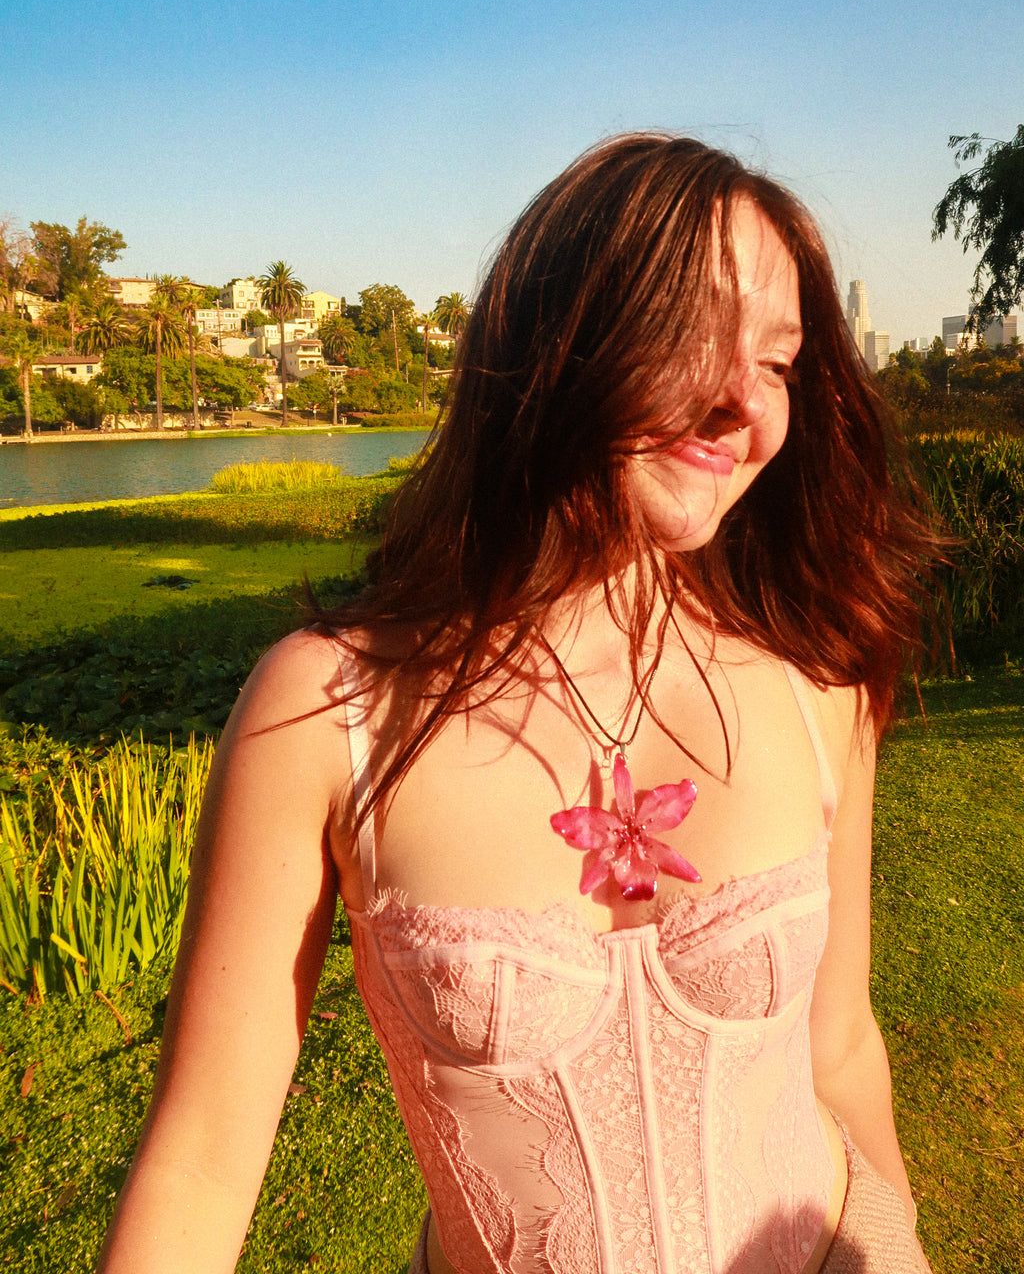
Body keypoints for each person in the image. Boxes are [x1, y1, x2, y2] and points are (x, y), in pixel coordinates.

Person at [97, 134, 937, 1274]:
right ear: (563, 332)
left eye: (782, 363)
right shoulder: (333, 712)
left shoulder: (812, 677)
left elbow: (837, 1046)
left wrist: (905, 1245)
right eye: (699, 334)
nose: (747, 403)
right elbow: (200, 1162)